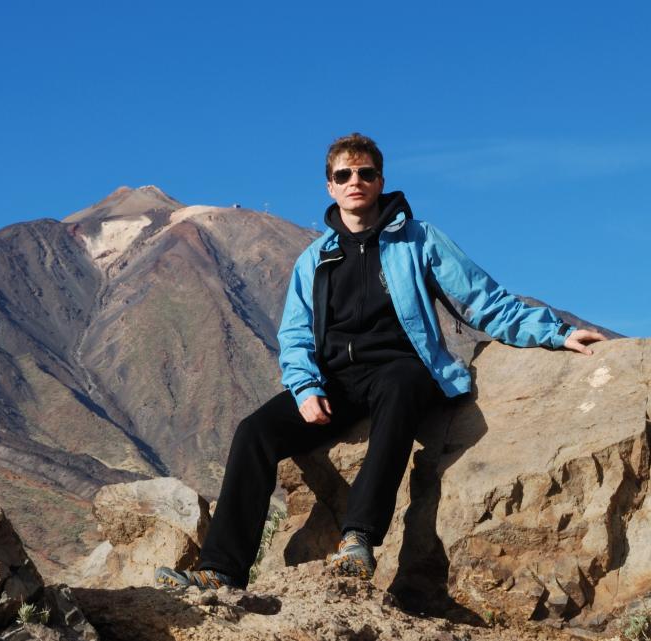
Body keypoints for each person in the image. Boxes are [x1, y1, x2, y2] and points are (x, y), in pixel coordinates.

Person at [155, 133, 606, 590]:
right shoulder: (315, 259)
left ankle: (358, 539)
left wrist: (556, 332)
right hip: (336, 380)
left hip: (400, 368)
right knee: (255, 431)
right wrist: (306, 387)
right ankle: (222, 570)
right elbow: (294, 335)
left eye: (365, 173)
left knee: (400, 385)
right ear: (330, 186)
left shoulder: (419, 240)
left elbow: (483, 300)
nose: (355, 181)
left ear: (380, 181)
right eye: (344, 175)